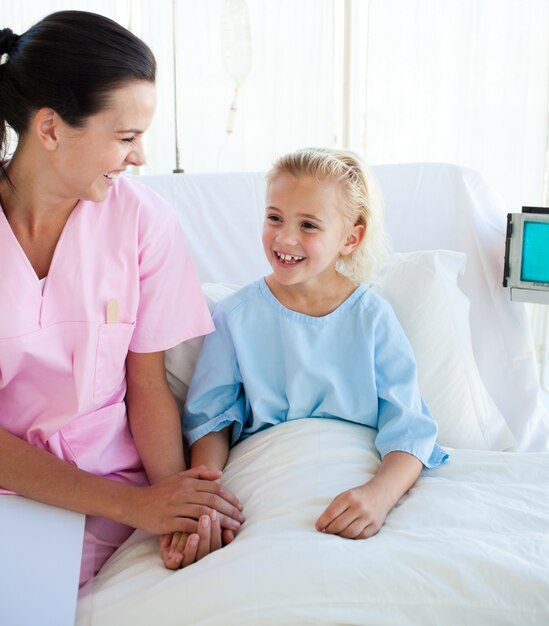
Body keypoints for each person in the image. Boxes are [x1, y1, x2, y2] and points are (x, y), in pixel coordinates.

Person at [0, 10, 243, 586]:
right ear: (51, 128)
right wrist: (136, 506)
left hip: (111, 494)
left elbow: (147, 384)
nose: (140, 158)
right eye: (127, 137)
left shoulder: (143, 222)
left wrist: (174, 508)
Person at [179, 146, 448, 554]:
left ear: (350, 238)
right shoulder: (235, 317)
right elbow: (211, 422)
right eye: (274, 218)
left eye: (308, 225)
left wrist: (379, 496)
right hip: (270, 476)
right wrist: (204, 501)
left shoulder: (372, 318)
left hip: (356, 478)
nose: (285, 238)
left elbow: (410, 431)